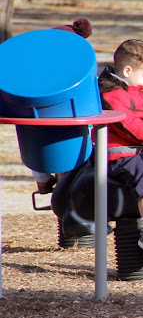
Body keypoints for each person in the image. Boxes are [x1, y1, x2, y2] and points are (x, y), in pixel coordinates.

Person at [96, 39, 143, 259]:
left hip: (134, 149)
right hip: (120, 152)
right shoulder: (112, 94)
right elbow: (124, 123)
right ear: (128, 70)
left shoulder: (129, 92)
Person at [33, 18, 93, 194]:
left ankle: (42, 181)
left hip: (39, 139)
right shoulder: (81, 78)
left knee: (33, 136)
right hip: (76, 135)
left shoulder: (36, 80)